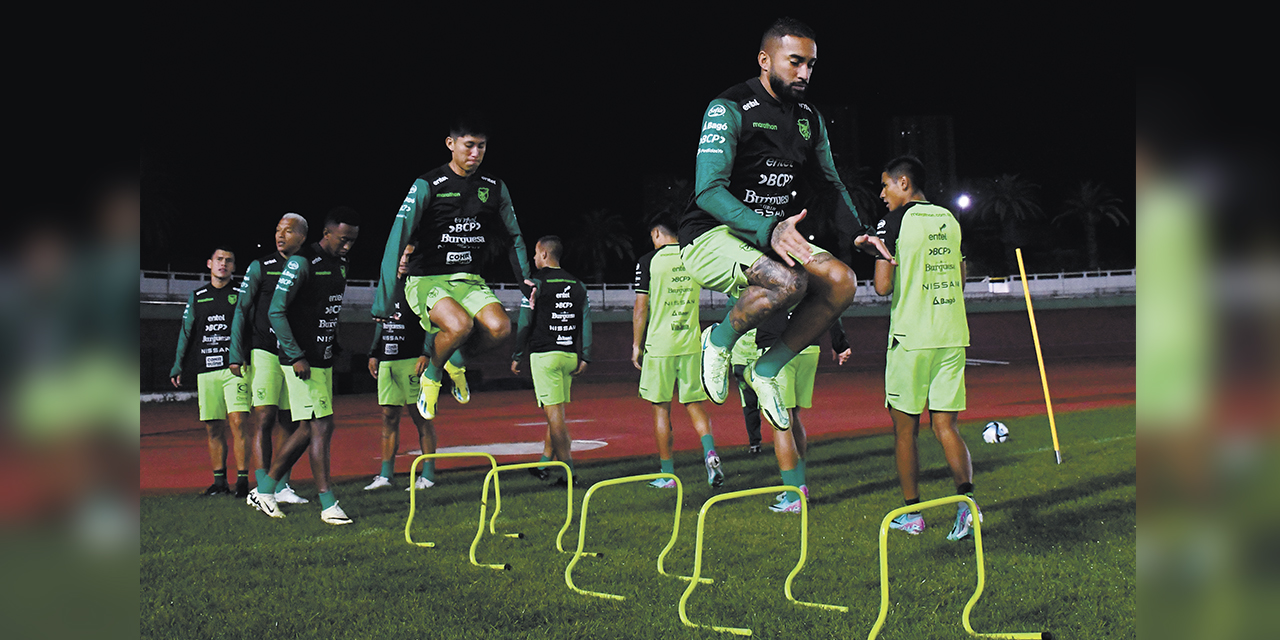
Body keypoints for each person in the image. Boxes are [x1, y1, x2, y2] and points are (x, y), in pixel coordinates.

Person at [678, 17, 893, 432]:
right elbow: (708, 190)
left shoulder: (809, 119)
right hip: (709, 235)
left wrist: (859, 231)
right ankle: (717, 340)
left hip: (766, 239)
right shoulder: (730, 107)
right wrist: (769, 229)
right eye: (795, 62)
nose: (805, 73)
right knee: (789, 282)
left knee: (842, 281)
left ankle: (767, 369)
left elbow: (829, 185)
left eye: (811, 65)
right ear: (764, 59)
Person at [372, 114, 533, 422]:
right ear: (451, 144)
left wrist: (525, 282)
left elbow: (514, 236)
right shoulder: (427, 184)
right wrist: (385, 297)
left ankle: (453, 357)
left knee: (501, 328)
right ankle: (432, 378)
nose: (475, 153)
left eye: (481, 147)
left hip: (469, 279)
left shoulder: (494, 187)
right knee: (460, 325)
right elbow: (398, 237)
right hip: (426, 279)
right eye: (468, 145)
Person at [873, 156, 978, 540]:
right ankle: (967, 506)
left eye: (885, 185)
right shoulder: (949, 218)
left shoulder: (894, 222)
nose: (882, 194)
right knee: (946, 426)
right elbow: (961, 275)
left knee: (905, 430)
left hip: (910, 339)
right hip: (951, 334)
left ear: (903, 183)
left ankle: (912, 513)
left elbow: (883, 287)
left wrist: (880, 256)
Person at [247, 207, 360, 525]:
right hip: (300, 361)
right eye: (342, 239)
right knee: (320, 426)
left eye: (352, 241)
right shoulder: (301, 263)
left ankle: (265, 490)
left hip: (322, 358)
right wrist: (295, 355)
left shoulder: (341, 262)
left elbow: (327, 309)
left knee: (310, 428)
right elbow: (275, 312)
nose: (347, 246)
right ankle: (328, 505)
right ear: (326, 234)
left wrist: (333, 345)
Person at [632, 220, 724, 488]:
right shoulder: (691, 256)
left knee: (661, 409)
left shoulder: (648, 261)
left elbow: (641, 307)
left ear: (658, 233)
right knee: (695, 405)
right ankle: (710, 453)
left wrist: (636, 345)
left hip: (660, 346)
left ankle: (668, 474)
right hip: (690, 344)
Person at [228, 213, 309, 506]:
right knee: (264, 416)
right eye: (277, 230)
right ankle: (261, 487)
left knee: (290, 420)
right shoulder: (260, 266)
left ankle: (281, 485)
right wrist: (236, 352)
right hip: (264, 350)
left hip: (295, 353)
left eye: (288, 231)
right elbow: (242, 310)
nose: (280, 235)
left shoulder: (309, 265)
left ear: (302, 236)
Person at [169, 246, 251, 497]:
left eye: (229, 261)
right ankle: (219, 482)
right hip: (206, 369)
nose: (223, 264)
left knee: (238, 422)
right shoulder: (197, 295)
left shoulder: (242, 294)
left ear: (234, 267)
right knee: (213, 427)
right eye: (219, 260)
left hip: (235, 369)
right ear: (209, 264)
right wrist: (177, 363)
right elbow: (186, 331)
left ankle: (243, 481)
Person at [510, 236, 591, 486]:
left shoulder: (535, 283)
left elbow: (525, 321)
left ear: (544, 254)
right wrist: (585, 354)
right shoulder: (578, 284)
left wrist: (517, 354)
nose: (534, 258)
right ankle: (545, 462)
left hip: (545, 355)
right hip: (569, 355)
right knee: (556, 412)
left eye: (536, 253)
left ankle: (569, 472)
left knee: (554, 415)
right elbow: (586, 321)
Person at [753, 310, 851, 513]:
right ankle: (799, 487)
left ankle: (792, 496)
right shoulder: (813, 275)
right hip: (808, 346)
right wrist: (839, 342)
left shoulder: (764, 276)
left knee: (780, 421)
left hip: (776, 345)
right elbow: (830, 300)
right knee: (793, 417)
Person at [363, 244, 437, 492]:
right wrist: (374, 352)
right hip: (387, 361)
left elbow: (432, 322)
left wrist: (426, 352)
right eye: (401, 255)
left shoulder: (421, 286)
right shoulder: (386, 286)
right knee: (388, 417)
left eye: (410, 256)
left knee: (421, 418)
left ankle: (427, 475)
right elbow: (379, 321)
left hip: (412, 360)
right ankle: (386, 475)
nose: (404, 260)